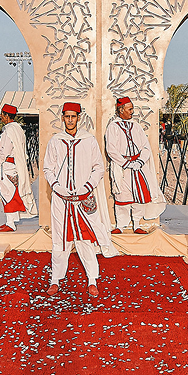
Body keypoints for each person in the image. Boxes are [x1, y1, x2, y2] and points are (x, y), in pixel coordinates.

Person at [43, 102, 116, 298]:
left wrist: (86, 187)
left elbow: (98, 167)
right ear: (62, 118)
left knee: (85, 239)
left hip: (82, 198)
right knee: (60, 239)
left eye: (73, 116)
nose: (69, 120)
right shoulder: (56, 141)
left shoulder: (89, 140)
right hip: (61, 199)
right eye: (66, 116)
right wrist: (57, 186)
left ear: (79, 117)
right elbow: (48, 168)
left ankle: (92, 279)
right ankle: (55, 280)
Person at [104, 95, 165, 234]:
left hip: (138, 167)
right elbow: (111, 150)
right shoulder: (112, 127)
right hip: (122, 167)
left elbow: (145, 147)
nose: (132, 112)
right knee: (122, 195)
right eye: (130, 109)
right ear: (121, 110)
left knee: (139, 195)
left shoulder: (136, 126)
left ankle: (137, 224)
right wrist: (126, 163)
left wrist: (139, 161)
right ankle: (120, 225)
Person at [0, 105, 36, 232]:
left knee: (7, 193)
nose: (1, 118)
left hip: (7, 166)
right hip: (14, 166)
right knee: (12, 193)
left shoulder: (9, 130)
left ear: (6, 115)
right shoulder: (18, 129)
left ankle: (10, 223)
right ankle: (10, 220)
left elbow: (5, 151)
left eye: (2, 116)